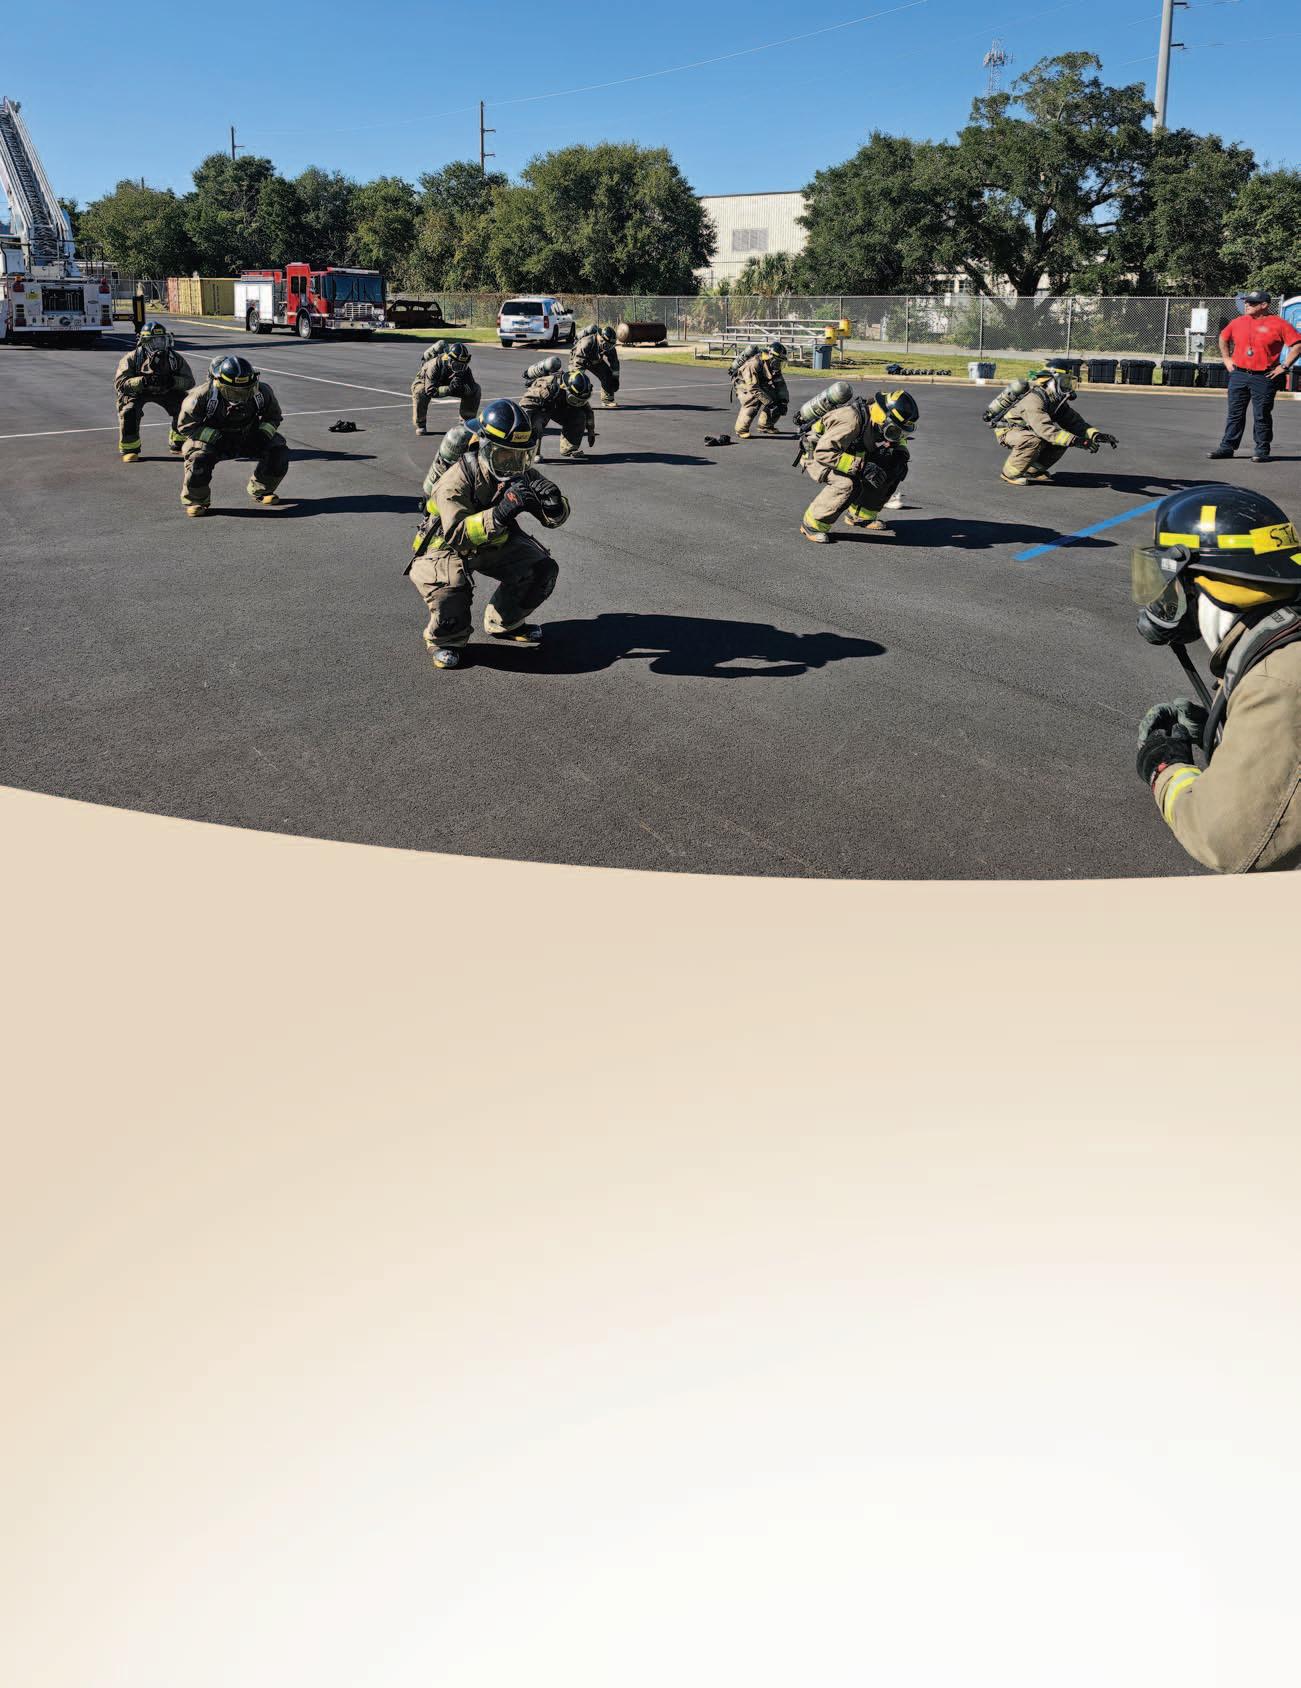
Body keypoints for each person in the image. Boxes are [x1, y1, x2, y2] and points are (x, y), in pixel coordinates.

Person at [1131, 483, 1301, 872]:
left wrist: (1165, 767)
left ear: (1195, 585)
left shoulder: (1277, 682)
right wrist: (1234, 728)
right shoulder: (1281, 650)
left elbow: (1229, 843)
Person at [407, 398, 569, 671]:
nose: (514, 463)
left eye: (522, 455)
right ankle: (447, 639)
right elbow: (457, 534)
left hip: (491, 541)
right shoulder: (455, 479)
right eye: (505, 455)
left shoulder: (519, 471)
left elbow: (553, 520)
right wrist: (500, 514)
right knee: (451, 587)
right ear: (486, 448)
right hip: (445, 547)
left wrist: (555, 504)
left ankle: (505, 622)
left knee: (542, 569)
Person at [174, 355, 289, 517]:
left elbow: (273, 417)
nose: (241, 396)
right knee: (197, 458)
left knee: (278, 449)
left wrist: (262, 435)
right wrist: (216, 438)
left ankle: (262, 490)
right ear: (220, 384)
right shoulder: (200, 396)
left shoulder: (262, 392)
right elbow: (186, 426)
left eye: (246, 390)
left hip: (248, 437)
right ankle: (197, 500)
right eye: (234, 392)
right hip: (213, 441)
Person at [798, 388, 917, 543]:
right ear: (883, 418)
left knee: (891, 467)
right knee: (847, 483)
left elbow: (898, 440)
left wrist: (900, 454)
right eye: (894, 430)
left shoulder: (878, 419)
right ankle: (812, 523)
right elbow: (824, 453)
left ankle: (861, 516)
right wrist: (861, 467)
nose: (897, 435)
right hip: (817, 455)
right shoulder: (850, 420)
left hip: (847, 452)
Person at [1209, 290, 1301, 465]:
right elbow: (1223, 337)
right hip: (1239, 374)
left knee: (1261, 415)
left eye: (1251, 303)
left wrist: (1284, 366)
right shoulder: (1238, 322)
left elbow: (1297, 345)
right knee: (1235, 414)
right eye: (1246, 302)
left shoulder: (1279, 324)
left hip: (1264, 376)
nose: (1247, 305)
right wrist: (1227, 358)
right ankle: (1227, 447)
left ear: (1264, 305)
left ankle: (1262, 450)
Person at [992, 368, 1117, 485]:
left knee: (1060, 441)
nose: (1068, 386)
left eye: (1069, 382)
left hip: (1030, 430)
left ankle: (1032, 470)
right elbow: (1045, 430)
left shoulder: (1055, 400)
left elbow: (1074, 422)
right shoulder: (1033, 400)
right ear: (1050, 381)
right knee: (1034, 440)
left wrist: (1096, 435)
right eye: (1064, 382)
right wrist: (1077, 441)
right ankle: (1010, 473)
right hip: (1010, 431)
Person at [113, 322, 194, 463]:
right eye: (154, 341)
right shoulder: (132, 358)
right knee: (129, 410)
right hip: (139, 392)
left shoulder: (174, 358)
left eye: (161, 340)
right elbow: (120, 384)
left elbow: (189, 381)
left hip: (166, 390)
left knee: (185, 405)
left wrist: (172, 381)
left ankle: (178, 443)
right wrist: (143, 381)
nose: (159, 344)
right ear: (144, 342)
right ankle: (130, 449)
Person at [521, 365, 596, 460]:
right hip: (542, 406)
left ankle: (569, 448)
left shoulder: (577, 392)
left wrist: (591, 431)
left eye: (581, 400)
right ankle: (531, 452)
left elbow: (588, 411)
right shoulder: (546, 388)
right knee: (536, 422)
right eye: (575, 399)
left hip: (558, 406)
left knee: (579, 415)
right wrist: (525, 428)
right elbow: (525, 404)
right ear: (566, 388)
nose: (579, 403)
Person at [410, 339, 482, 435]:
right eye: (457, 365)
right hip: (428, 383)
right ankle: (421, 424)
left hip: (450, 385)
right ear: (449, 360)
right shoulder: (434, 365)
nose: (460, 368)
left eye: (463, 365)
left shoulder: (465, 370)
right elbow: (430, 390)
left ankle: (466, 424)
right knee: (420, 391)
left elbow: (471, 388)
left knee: (476, 390)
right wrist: (449, 389)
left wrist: (462, 388)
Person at [734, 341, 789, 438]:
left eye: (781, 361)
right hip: (744, 385)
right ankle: (741, 430)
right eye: (778, 360)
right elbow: (753, 388)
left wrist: (783, 401)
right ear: (771, 356)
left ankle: (765, 426)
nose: (779, 363)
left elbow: (780, 384)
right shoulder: (753, 364)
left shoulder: (773, 365)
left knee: (778, 399)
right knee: (753, 400)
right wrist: (769, 403)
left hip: (759, 384)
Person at [570, 323, 620, 407]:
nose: (609, 347)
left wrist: (615, 378)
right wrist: (580, 378)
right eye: (607, 345)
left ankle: (607, 400)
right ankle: (573, 401)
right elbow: (578, 362)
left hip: (594, 358)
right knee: (577, 379)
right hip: (578, 358)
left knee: (607, 374)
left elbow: (614, 363)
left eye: (611, 345)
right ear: (601, 339)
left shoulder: (609, 347)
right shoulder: (586, 343)